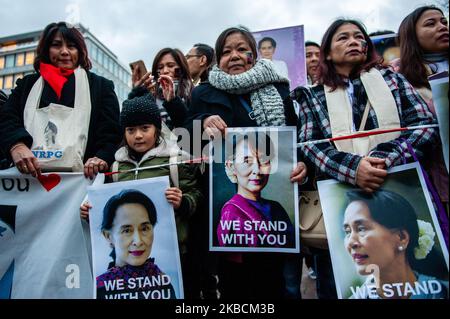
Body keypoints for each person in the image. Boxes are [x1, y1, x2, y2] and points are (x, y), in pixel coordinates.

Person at [292, 18, 437, 299]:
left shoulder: (393, 80)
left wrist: (383, 159)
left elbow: (422, 125)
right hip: (338, 198)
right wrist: (353, 169)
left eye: (359, 37)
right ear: (328, 54)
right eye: (343, 38)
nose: (354, 42)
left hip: (396, 187)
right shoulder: (310, 95)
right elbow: (309, 145)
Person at [186, 26, 306, 300]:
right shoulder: (202, 93)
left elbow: (297, 138)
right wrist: (202, 123)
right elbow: (186, 145)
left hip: (275, 232)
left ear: (253, 53)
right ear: (217, 59)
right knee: (235, 289)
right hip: (228, 231)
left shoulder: (279, 88)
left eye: (241, 49)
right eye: (226, 52)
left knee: (281, 287)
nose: (235, 56)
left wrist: (302, 165)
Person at [81, 93, 203, 298]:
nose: (138, 135)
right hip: (125, 273)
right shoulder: (117, 166)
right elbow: (107, 207)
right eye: (131, 130)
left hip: (175, 256)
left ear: (157, 129)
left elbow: (196, 195)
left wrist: (182, 202)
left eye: (144, 128)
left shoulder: (176, 160)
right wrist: (89, 212)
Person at [0, 22, 121, 178]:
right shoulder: (26, 85)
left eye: (71, 46)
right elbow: (6, 118)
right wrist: (16, 145)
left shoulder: (100, 87)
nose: (64, 52)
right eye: (56, 45)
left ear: (80, 51)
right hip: (28, 183)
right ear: (46, 50)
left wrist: (101, 157)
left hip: (80, 186)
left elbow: (111, 133)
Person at [392, 5, 449, 212]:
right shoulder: (397, 74)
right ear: (411, 35)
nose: (442, 27)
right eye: (431, 24)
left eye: (444, 22)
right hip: (434, 176)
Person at [343, 189, 448, 299]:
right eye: (347, 232)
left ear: (401, 237)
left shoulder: (443, 292)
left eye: (361, 229)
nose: (350, 242)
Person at [218, 132, 295, 248]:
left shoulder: (276, 208)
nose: (257, 170)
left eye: (264, 161)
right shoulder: (231, 213)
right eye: (247, 161)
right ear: (231, 166)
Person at [96, 189, 177, 299]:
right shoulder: (100, 289)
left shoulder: (163, 282)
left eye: (144, 228)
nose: (138, 241)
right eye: (127, 231)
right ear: (108, 236)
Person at [128, 48, 193, 130]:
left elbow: (192, 131)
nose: (165, 71)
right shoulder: (149, 96)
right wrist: (136, 92)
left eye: (171, 66)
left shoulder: (194, 93)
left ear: (182, 68)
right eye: (160, 67)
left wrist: (172, 101)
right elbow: (131, 122)